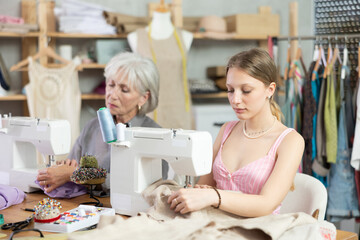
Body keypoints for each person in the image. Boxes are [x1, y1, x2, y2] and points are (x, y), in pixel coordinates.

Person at [168, 48, 305, 217]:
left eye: (246, 90)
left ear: (270, 89)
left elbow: (266, 204)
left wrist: (213, 196)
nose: (235, 100)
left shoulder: (290, 141)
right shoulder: (227, 130)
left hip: (258, 230)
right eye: (230, 90)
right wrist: (198, 194)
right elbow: (203, 186)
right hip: (216, 225)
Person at [36, 52, 166, 194]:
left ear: (143, 98)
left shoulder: (155, 136)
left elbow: (148, 187)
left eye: (124, 89)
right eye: (110, 85)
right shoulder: (92, 127)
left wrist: (75, 174)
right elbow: (71, 167)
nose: (112, 94)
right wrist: (64, 169)